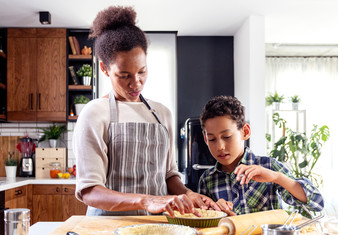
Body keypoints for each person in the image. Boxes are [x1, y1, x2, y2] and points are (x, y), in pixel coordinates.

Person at [73, 5, 219, 217]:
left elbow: (169, 175)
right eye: (124, 75)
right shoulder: (94, 114)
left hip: (157, 226)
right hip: (106, 228)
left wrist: (188, 195)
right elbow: (89, 191)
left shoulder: (162, 114)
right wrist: (145, 200)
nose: (136, 83)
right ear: (104, 68)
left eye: (142, 71)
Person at [198, 95, 324, 216]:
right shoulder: (207, 179)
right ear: (205, 139)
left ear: (245, 132)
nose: (220, 146)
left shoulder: (268, 166)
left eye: (227, 137)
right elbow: (204, 223)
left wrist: (276, 177)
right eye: (212, 139)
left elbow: (317, 203)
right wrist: (216, 211)